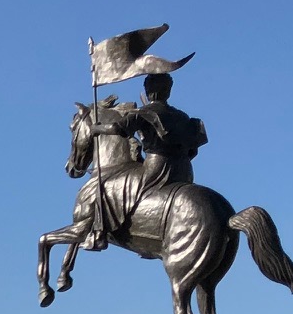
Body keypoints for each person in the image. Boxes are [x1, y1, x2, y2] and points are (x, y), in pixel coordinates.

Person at [85, 71, 208, 249]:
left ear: (148, 90)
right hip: (184, 171)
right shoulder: (182, 116)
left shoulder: (145, 112)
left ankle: (99, 232)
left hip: (156, 168)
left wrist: (97, 129)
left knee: (106, 188)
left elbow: (118, 128)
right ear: (169, 91)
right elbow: (193, 150)